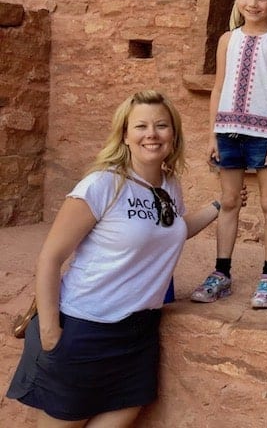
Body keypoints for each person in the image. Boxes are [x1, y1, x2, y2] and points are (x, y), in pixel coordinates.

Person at [6, 90, 231, 426]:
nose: (151, 134)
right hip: (84, 326)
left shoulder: (169, 187)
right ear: (125, 135)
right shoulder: (102, 185)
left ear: (174, 134)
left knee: (121, 415)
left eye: (161, 125)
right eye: (140, 126)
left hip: (138, 334)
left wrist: (219, 206)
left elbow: (171, 232)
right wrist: (52, 331)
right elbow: (51, 257)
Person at [191, 0, 267, 308]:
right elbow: (218, 85)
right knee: (230, 200)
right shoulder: (227, 39)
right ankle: (221, 272)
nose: (253, 3)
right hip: (228, 131)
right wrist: (212, 134)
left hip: (264, 134)